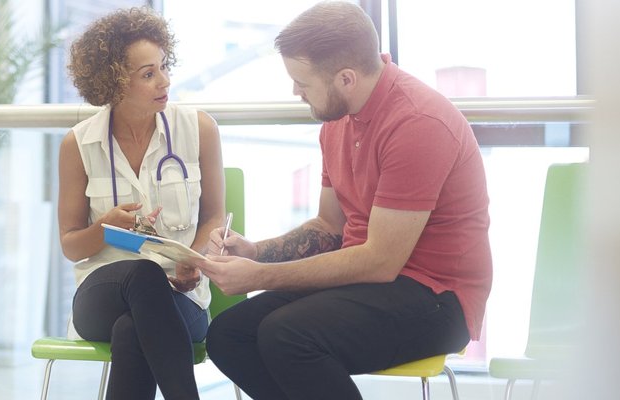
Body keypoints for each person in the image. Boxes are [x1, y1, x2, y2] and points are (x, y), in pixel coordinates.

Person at [192, 2, 491, 399]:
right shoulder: (337, 120)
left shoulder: (418, 124)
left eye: (303, 81)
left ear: (346, 78)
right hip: (369, 283)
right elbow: (330, 226)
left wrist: (258, 277)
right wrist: (255, 252)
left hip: (438, 299)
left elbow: (381, 262)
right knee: (229, 336)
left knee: (288, 335)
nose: (295, 91)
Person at [58, 7, 226, 400]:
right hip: (101, 296)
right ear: (113, 83)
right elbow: (70, 244)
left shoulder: (198, 129)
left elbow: (215, 215)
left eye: (164, 66)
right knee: (143, 275)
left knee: (132, 330)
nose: (164, 81)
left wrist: (194, 260)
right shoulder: (79, 145)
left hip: (183, 299)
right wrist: (106, 227)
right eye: (148, 74)